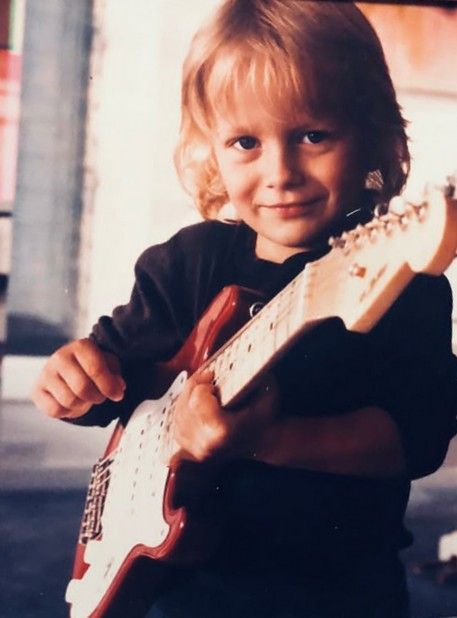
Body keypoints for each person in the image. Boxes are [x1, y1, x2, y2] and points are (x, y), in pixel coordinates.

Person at [32, 1, 457, 616]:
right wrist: (74, 379)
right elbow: (117, 379)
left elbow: (414, 440)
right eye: (245, 142)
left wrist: (267, 440)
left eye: (313, 135)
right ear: (212, 151)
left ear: (372, 136)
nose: (280, 172)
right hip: (177, 590)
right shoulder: (186, 262)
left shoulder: (402, 277)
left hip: (335, 593)